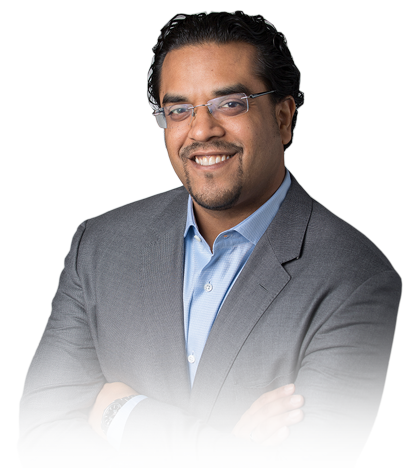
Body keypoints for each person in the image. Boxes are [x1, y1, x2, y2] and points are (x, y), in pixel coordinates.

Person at [17, 11, 401, 468]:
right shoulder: (99, 246)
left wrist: (121, 413)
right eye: (179, 110)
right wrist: (229, 449)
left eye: (230, 103)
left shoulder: (355, 278)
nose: (201, 130)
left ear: (282, 118)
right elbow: (40, 438)